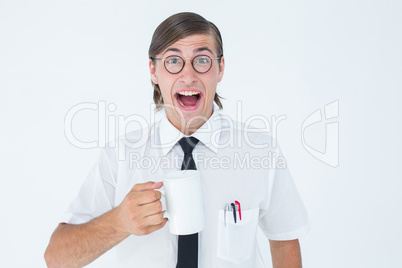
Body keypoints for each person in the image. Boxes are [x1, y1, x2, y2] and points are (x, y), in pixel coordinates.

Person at [45, 12, 310, 268]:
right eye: (173, 61)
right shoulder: (120, 155)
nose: (188, 75)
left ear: (220, 68)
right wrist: (119, 222)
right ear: (153, 70)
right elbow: (56, 259)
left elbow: (284, 240)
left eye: (202, 60)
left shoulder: (261, 151)